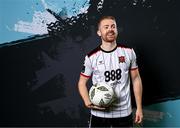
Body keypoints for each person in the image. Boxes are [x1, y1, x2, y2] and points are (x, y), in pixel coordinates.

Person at [78, 16, 143, 127]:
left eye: (113, 26)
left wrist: (139, 108)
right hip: (99, 114)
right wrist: (87, 101)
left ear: (117, 30)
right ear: (99, 32)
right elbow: (81, 83)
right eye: (106, 27)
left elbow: (136, 79)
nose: (110, 29)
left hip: (124, 113)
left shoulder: (129, 52)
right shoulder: (91, 57)